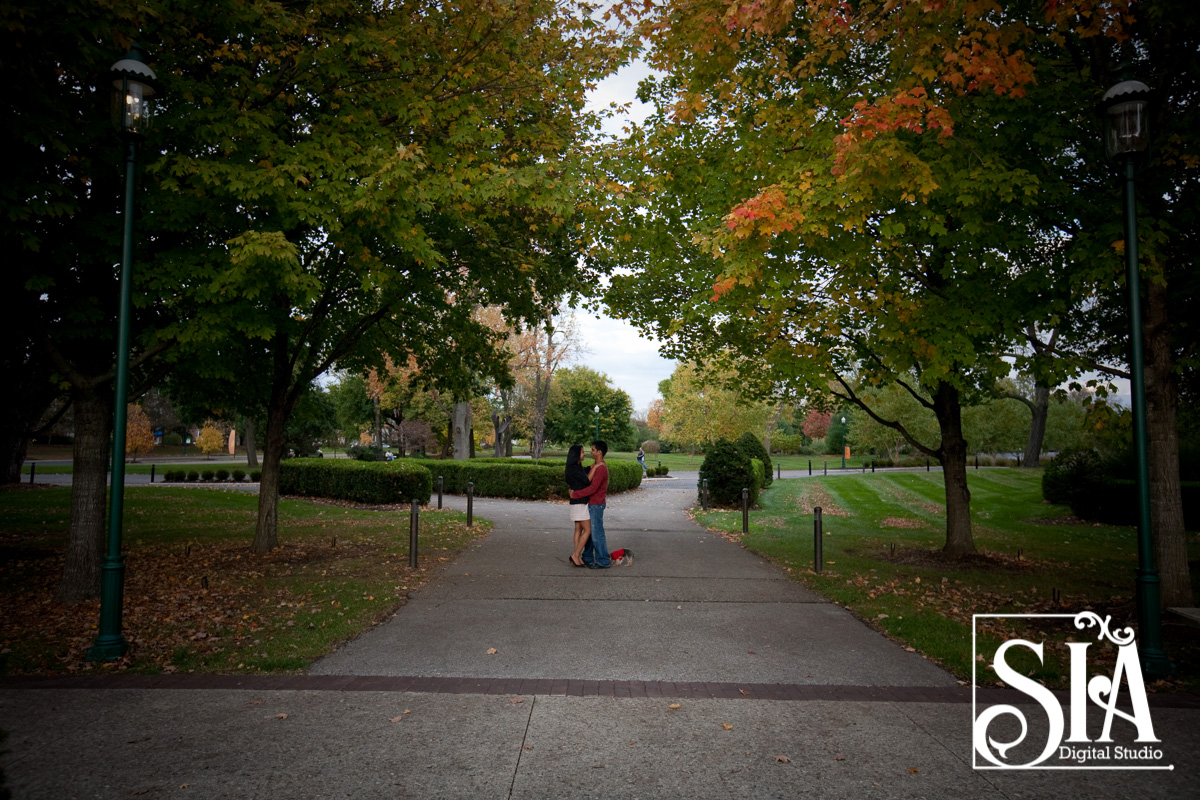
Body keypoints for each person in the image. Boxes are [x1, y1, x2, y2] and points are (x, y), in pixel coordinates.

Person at [571, 440, 613, 568]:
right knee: (589, 533)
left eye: (593, 450)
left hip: (596, 505)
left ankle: (603, 561)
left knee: (597, 534)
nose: (591, 451)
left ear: (599, 452)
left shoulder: (601, 468)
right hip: (591, 503)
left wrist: (574, 494)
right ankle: (587, 557)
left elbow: (592, 488)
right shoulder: (595, 465)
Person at [564, 444, 592, 568]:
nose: (584, 454)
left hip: (576, 502)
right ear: (576, 455)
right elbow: (587, 480)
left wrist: (593, 466)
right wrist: (596, 468)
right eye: (582, 452)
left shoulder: (573, 468)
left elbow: (584, 471)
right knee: (587, 530)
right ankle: (575, 555)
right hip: (580, 502)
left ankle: (578, 556)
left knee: (578, 529)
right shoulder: (574, 469)